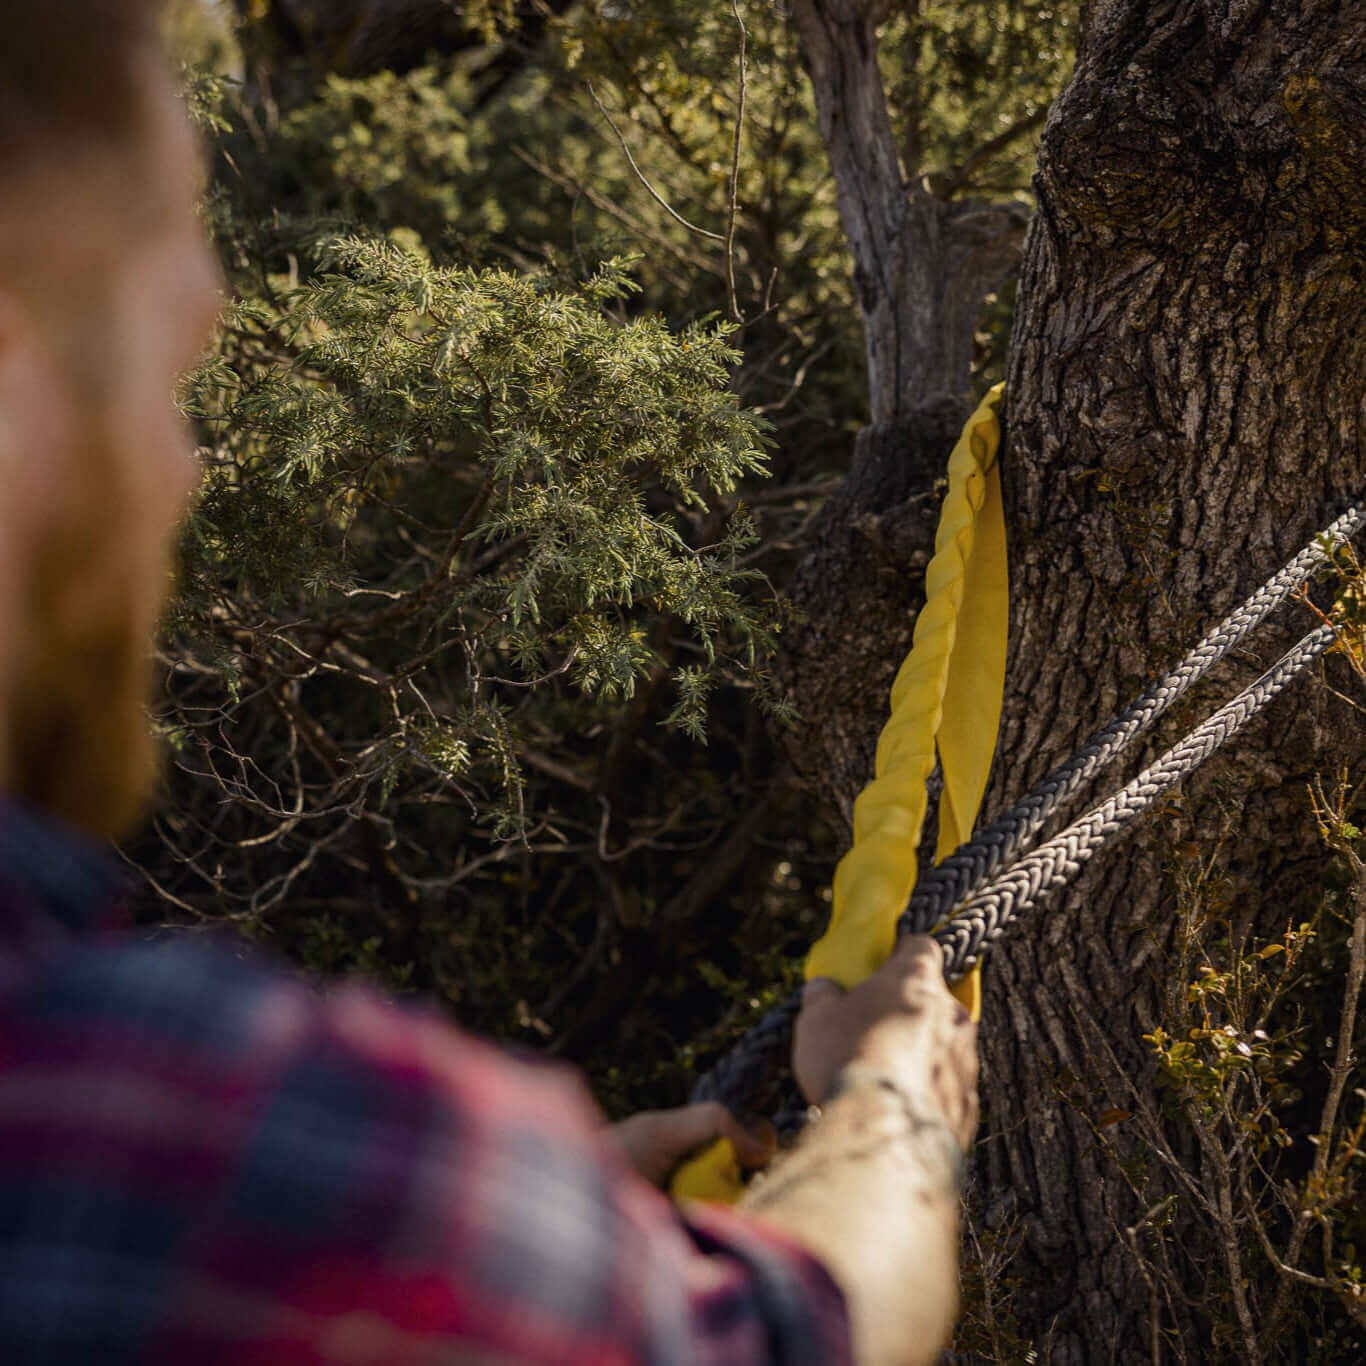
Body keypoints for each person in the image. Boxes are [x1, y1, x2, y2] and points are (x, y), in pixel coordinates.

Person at [0, 4, 979, 1363]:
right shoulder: (200, 1141)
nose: (189, 474)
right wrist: (894, 1103)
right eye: (171, 372)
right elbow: (806, 1327)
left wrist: (547, 1248)